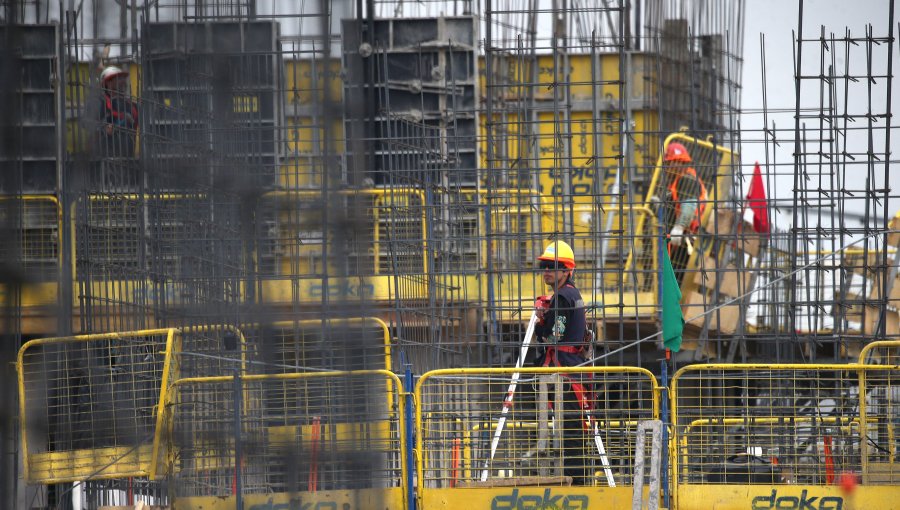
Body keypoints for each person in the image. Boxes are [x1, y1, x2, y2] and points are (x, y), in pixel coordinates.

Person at [533, 240, 592, 486]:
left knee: (569, 434)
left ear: (567, 270)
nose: (547, 270)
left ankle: (574, 485)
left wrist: (540, 323)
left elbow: (553, 336)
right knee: (573, 432)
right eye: (544, 266)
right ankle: (578, 481)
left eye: (553, 266)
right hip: (573, 369)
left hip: (565, 374)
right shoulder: (571, 293)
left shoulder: (561, 297)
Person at [661, 141, 707, 281]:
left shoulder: (686, 179)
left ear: (677, 163)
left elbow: (689, 206)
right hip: (690, 239)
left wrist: (679, 227)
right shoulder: (683, 179)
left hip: (690, 239)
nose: (667, 168)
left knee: (675, 277)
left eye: (668, 164)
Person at [98, 65, 139, 159]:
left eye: (122, 79)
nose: (122, 82)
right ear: (107, 83)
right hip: (106, 158)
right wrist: (104, 128)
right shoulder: (99, 103)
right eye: (117, 79)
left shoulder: (132, 106)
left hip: (128, 158)